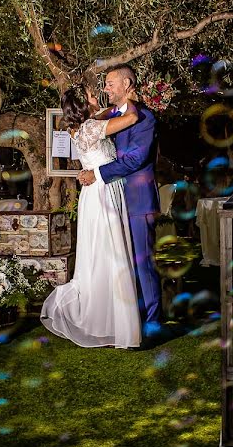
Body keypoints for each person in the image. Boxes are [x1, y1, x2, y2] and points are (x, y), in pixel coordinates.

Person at [40, 85, 141, 348]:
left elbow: (106, 112)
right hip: (102, 194)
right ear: (84, 105)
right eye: (91, 96)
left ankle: (105, 318)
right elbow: (131, 118)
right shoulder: (92, 128)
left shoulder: (84, 126)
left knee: (102, 255)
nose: (97, 97)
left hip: (97, 192)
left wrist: (109, 105)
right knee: (110, 254)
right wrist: (128, 97)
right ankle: (113, 322)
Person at [77, 65, 163, 340]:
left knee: (142, 263)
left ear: (127, 84)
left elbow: (136, 159)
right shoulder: (112, 115)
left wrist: (97, 173)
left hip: (137, 201)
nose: (106, 89)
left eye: (110, 83)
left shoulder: (145, 118)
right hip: (112, 201)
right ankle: (126, 320)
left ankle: (151, 324)